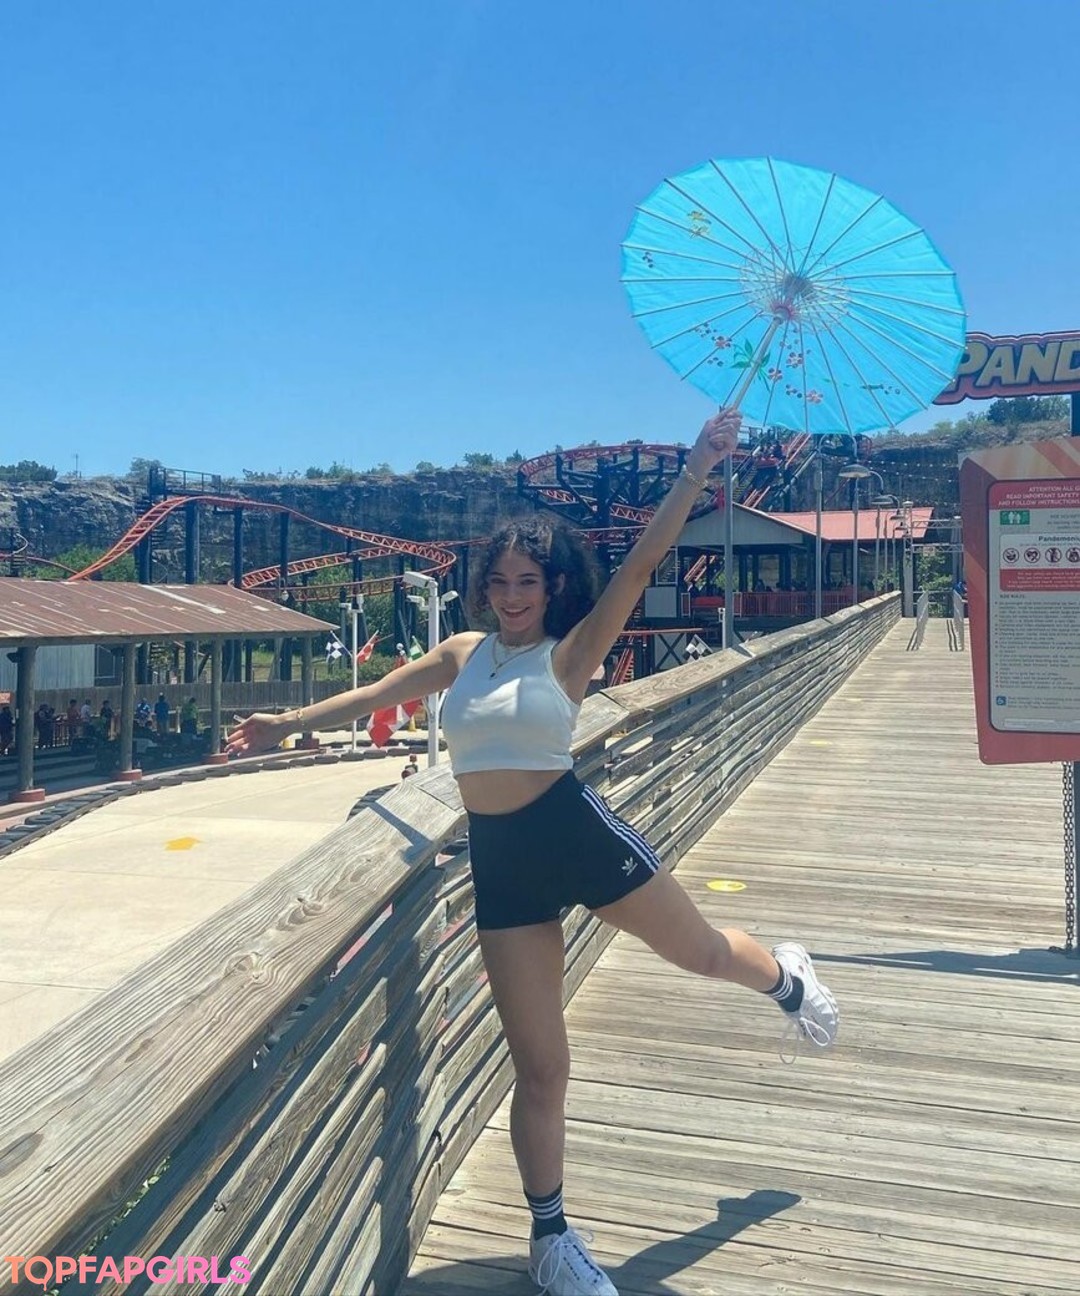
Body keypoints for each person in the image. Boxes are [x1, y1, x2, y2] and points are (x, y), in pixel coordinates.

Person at [225, 410, 838, 1296]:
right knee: (542, 1066)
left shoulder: (570, 654)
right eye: (501, 581)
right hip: (503, 862)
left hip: (574, 835)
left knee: (704, 953)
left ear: (554, 588)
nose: (513, 596)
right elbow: (376, 693)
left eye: (529, 582)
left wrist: (699, 465)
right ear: (485, 587)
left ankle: (785, 979)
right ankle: (550, 1237)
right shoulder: (463, 654)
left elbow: (641, 565)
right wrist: (287, 722)